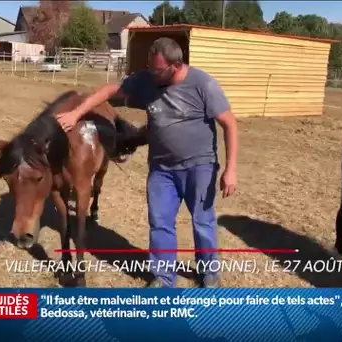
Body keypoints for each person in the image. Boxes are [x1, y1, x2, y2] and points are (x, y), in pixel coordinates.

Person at [55, 37, 238, 288]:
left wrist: (231, 169)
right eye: (150, 68)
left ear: (176, 65)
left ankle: (209, 272)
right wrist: (75, 113)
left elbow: (229, 124)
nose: (152, 74)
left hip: (200, 166)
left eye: (157, 70)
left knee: (202, 220)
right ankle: (163, 277)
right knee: (160, 222)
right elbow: (109, 91)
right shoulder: (148, 80)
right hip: (162, 169)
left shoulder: (203, 84)